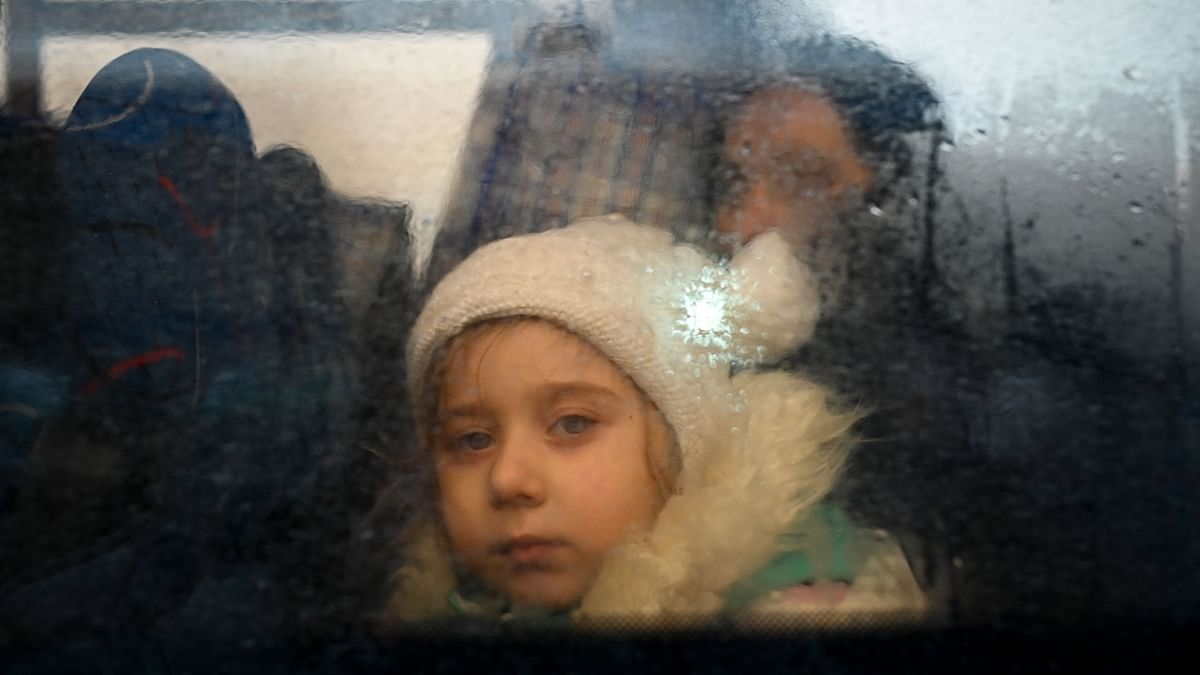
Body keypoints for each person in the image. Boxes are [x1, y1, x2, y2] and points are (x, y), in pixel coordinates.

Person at [376, 214, 926, 629]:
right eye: (472, 439)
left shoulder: (806, 611)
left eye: (571, 424)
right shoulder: (447, 615)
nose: (508, 480)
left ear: (686, 441)